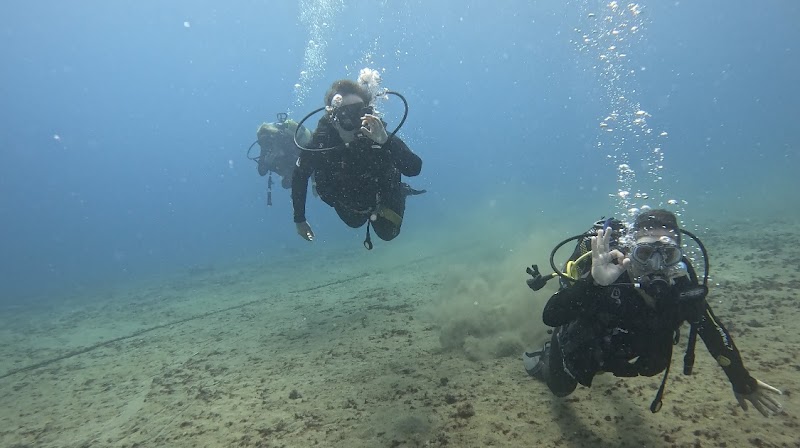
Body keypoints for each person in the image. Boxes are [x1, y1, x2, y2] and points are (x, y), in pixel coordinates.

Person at [522, 209, 783, 416]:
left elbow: (713, 332)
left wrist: (741, 379)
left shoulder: (681, 289)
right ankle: (548, 353)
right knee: (560, 388)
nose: (655, 265)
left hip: (624, 350)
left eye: (667, 254)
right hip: (587, 341)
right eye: (645, 253)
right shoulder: (609, 274)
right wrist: (593, 283)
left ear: (678, 257)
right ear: (629, 250)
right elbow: (552, 315)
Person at [291, 79, 423, 247]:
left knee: (388, 233)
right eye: (347, 113)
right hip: (348, 203)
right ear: (333, 117)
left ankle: (400, 193)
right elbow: (299, 176)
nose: (355, 120)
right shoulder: (321, 144)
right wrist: (299, 219)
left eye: (360, 112)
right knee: (354, 222)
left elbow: (414, 168)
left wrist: (386, 142)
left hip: (383, 195)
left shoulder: (379, 136)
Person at [253, 113, 312, 189]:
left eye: (267, 140)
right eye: (262, 142)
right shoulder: (265, 147)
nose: (266, 145)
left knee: (287, 183)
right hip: (292, 164)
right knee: (286, 184)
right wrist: (267, 163)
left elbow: (299, 156)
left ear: (271, 136)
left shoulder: (282, 138)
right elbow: (261, 171)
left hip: (305, 154)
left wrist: (281, 154)